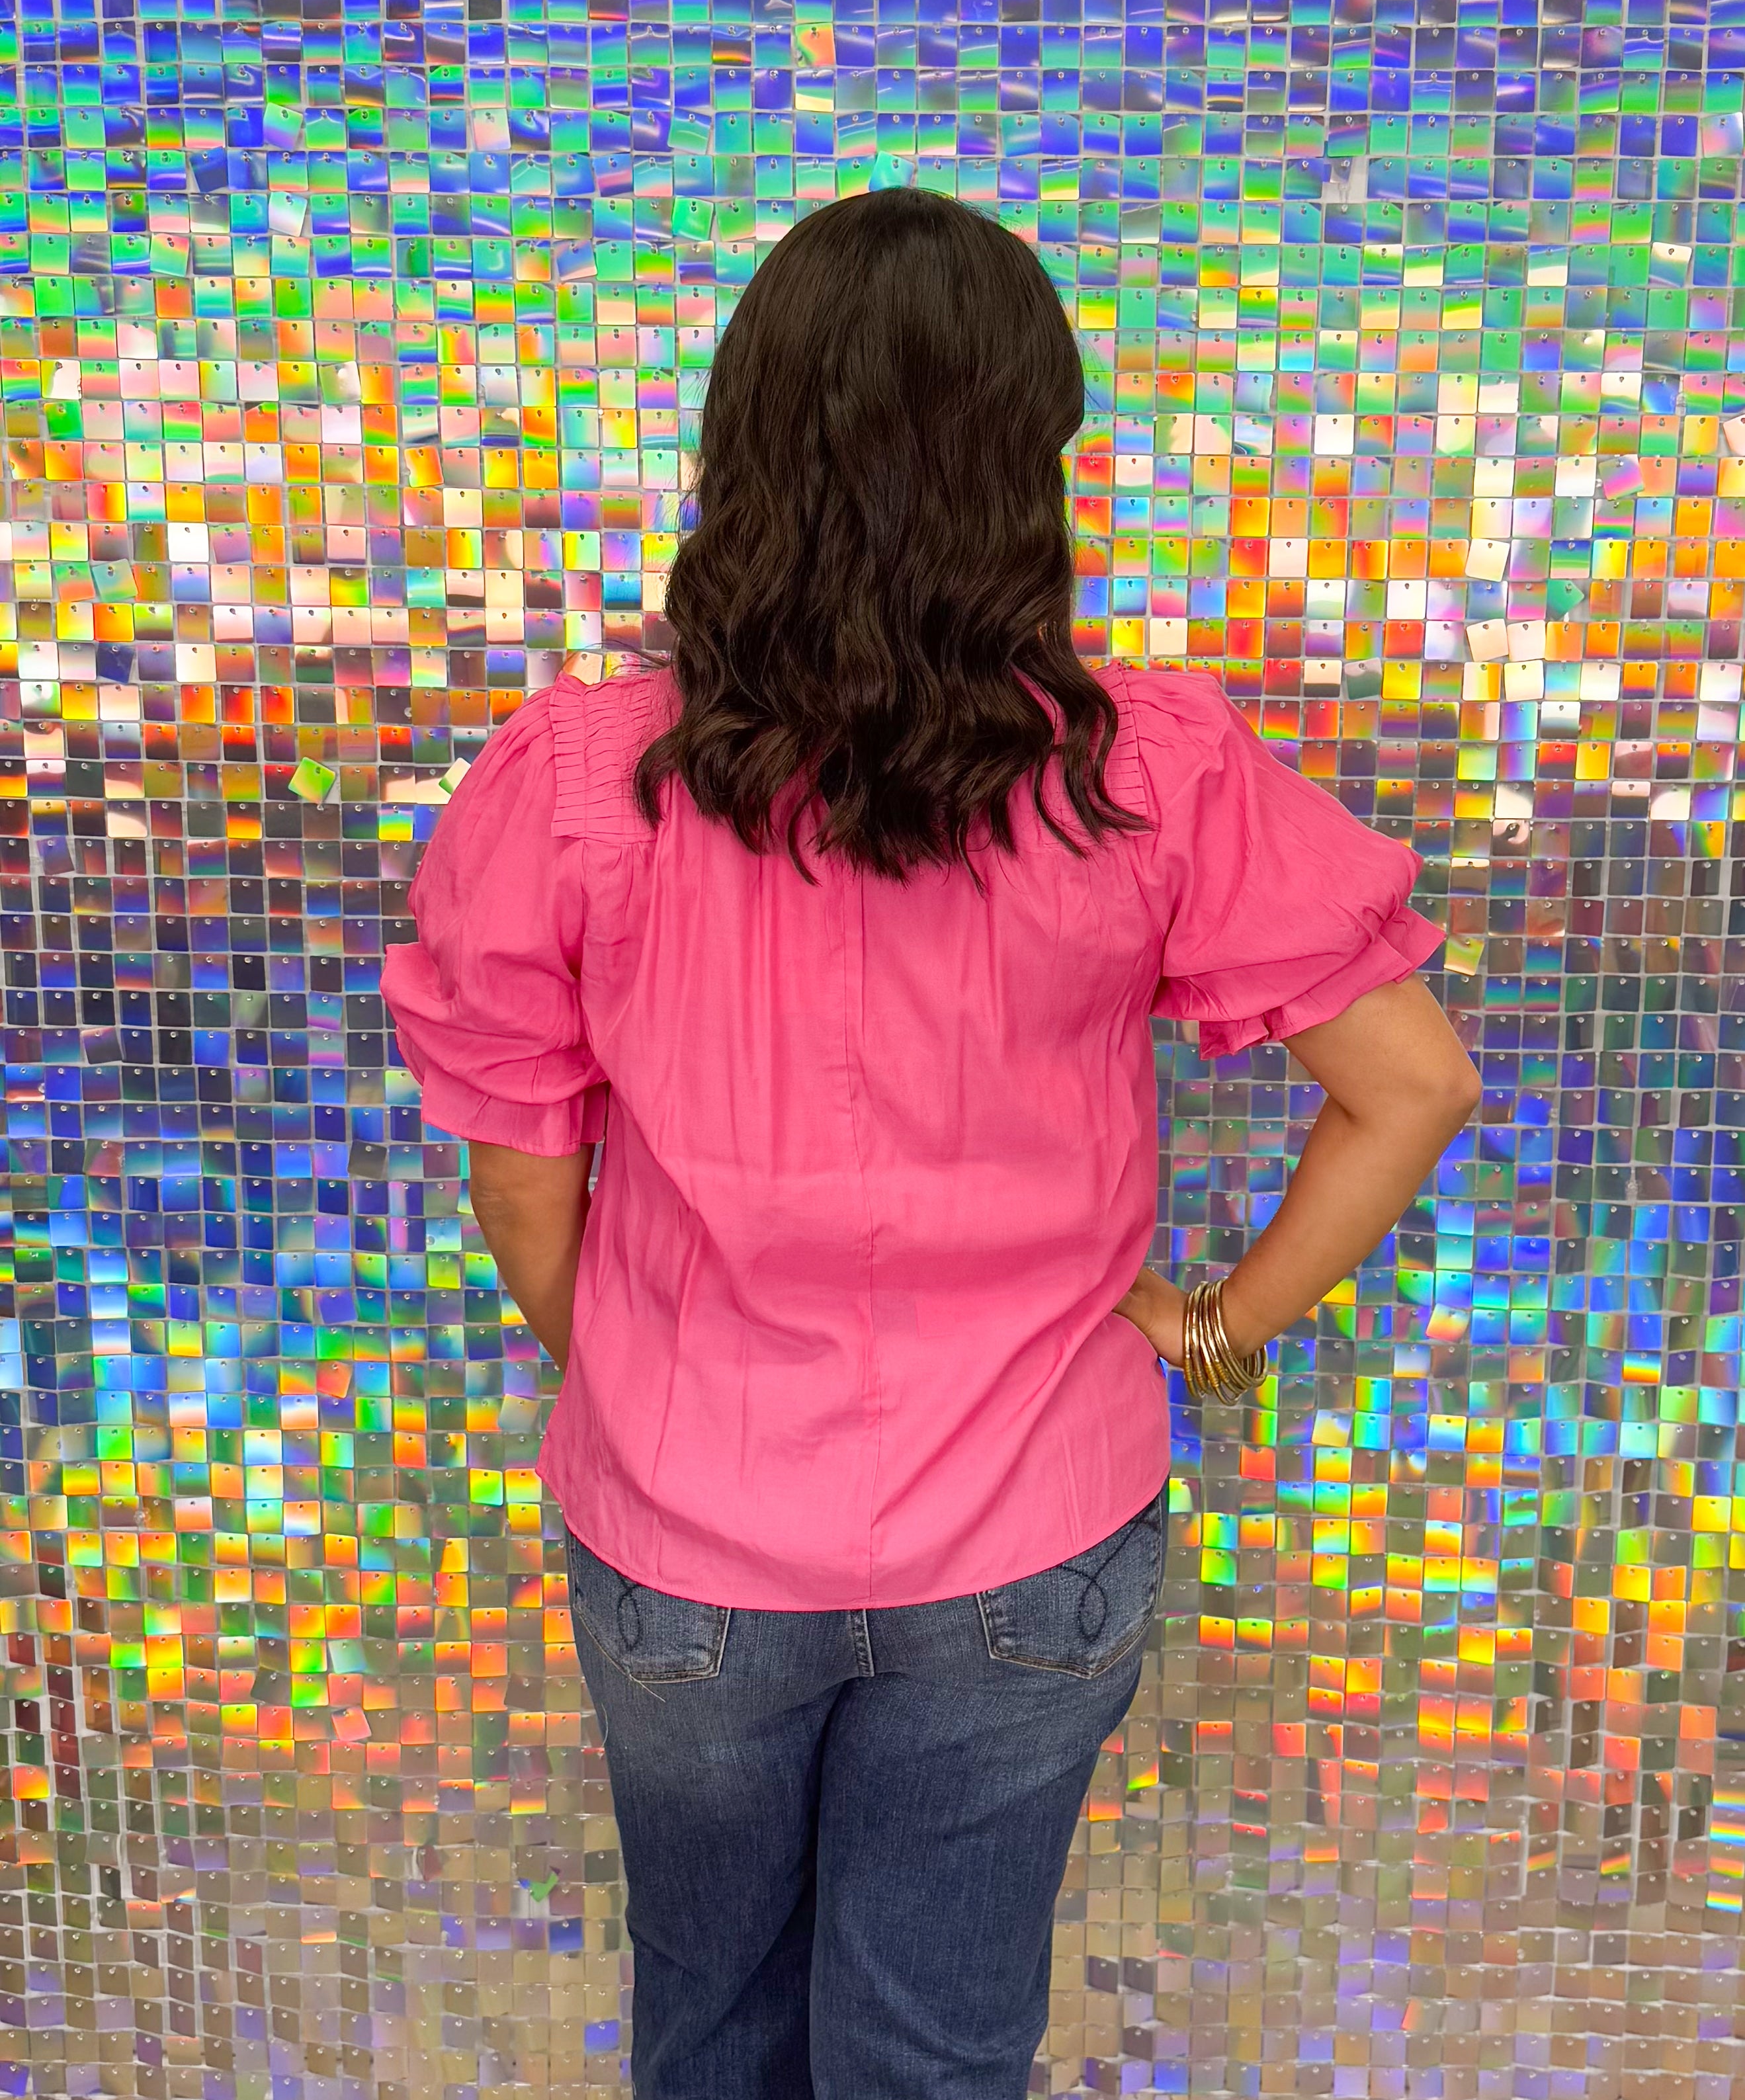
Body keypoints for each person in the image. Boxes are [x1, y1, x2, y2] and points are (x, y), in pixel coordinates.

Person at [380, 187, 1480, 2100]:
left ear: (739, 446)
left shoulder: (573, 780)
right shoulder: (1147, 771)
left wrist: (646, 1366)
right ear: (1025, 467)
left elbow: (525, 1189)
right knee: (938, 2048)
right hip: (1036, 1530)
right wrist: (1214, 1335)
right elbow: (1416, 1085)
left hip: (687, 1536)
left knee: (709, 2016)